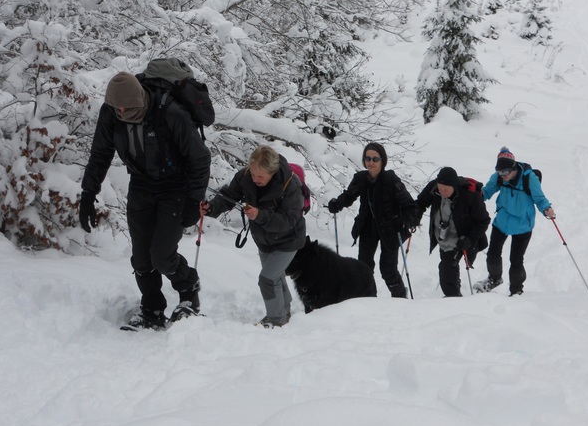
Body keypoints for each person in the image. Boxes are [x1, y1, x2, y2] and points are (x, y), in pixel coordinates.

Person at [79, 71, 211, 329]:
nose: (122, 111)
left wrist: (193, 201)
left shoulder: (170, 113)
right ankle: (151, 308)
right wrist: (87, 194)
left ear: (140, 99)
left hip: (175, 187)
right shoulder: (111, 114)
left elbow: (200, 158)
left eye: (127, 107)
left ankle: (189, 290)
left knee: (162, 256)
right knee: (141, 258)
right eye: (117, 108)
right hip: (141, 184)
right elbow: (100, 154)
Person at [201, 145, 306, 328]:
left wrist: (260, 215)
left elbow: (289, 220)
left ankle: (275, 319)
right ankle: (285, 311)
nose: (255, 179)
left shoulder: (291, 184)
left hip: (289, 239)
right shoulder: (244, 177)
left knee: (267, 278)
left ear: (272, 172)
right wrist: (211, 208)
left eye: (261, 176)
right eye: (253, 173)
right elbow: (228, 196)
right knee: (275, 276)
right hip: (263, 239)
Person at [327, 142, 417, 298]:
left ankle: (400, 297)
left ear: (382, 161)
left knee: (388, 270)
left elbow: (411, 207)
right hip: (367, 227)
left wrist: (403, 221)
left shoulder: (391, 180)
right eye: (368, 158)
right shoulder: (361, 178)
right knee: (364, 268)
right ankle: (368, 299)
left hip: (390, 229)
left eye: (375, 159)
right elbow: (349, 195)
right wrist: (337, 203)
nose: (371, 162)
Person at [474, 147, 555, 296]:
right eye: (500, 172)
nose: (502, 175)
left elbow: (540, 198)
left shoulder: (529, 178)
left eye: (505, 172)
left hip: (523, 225)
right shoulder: (499, 176)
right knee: (492, 254)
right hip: (502, 221)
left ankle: (516, 290)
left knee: (516, 260)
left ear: (513, 168)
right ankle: (494, 279)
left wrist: (547, 209)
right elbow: (487, 192)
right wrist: (474, 197)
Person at [413, 167, 490, 297]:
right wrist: (414, 216)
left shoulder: (470, 196)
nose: (442, 191)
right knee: (448, 268)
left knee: (446, 269)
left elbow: (483, 221)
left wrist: (470, 239)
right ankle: (454, 293)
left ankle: (453, 299)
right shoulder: (433, 188)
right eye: (440, 187)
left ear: (454, 186)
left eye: (446, 189)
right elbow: (420, 203)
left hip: (462, 239)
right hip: (443, 237)